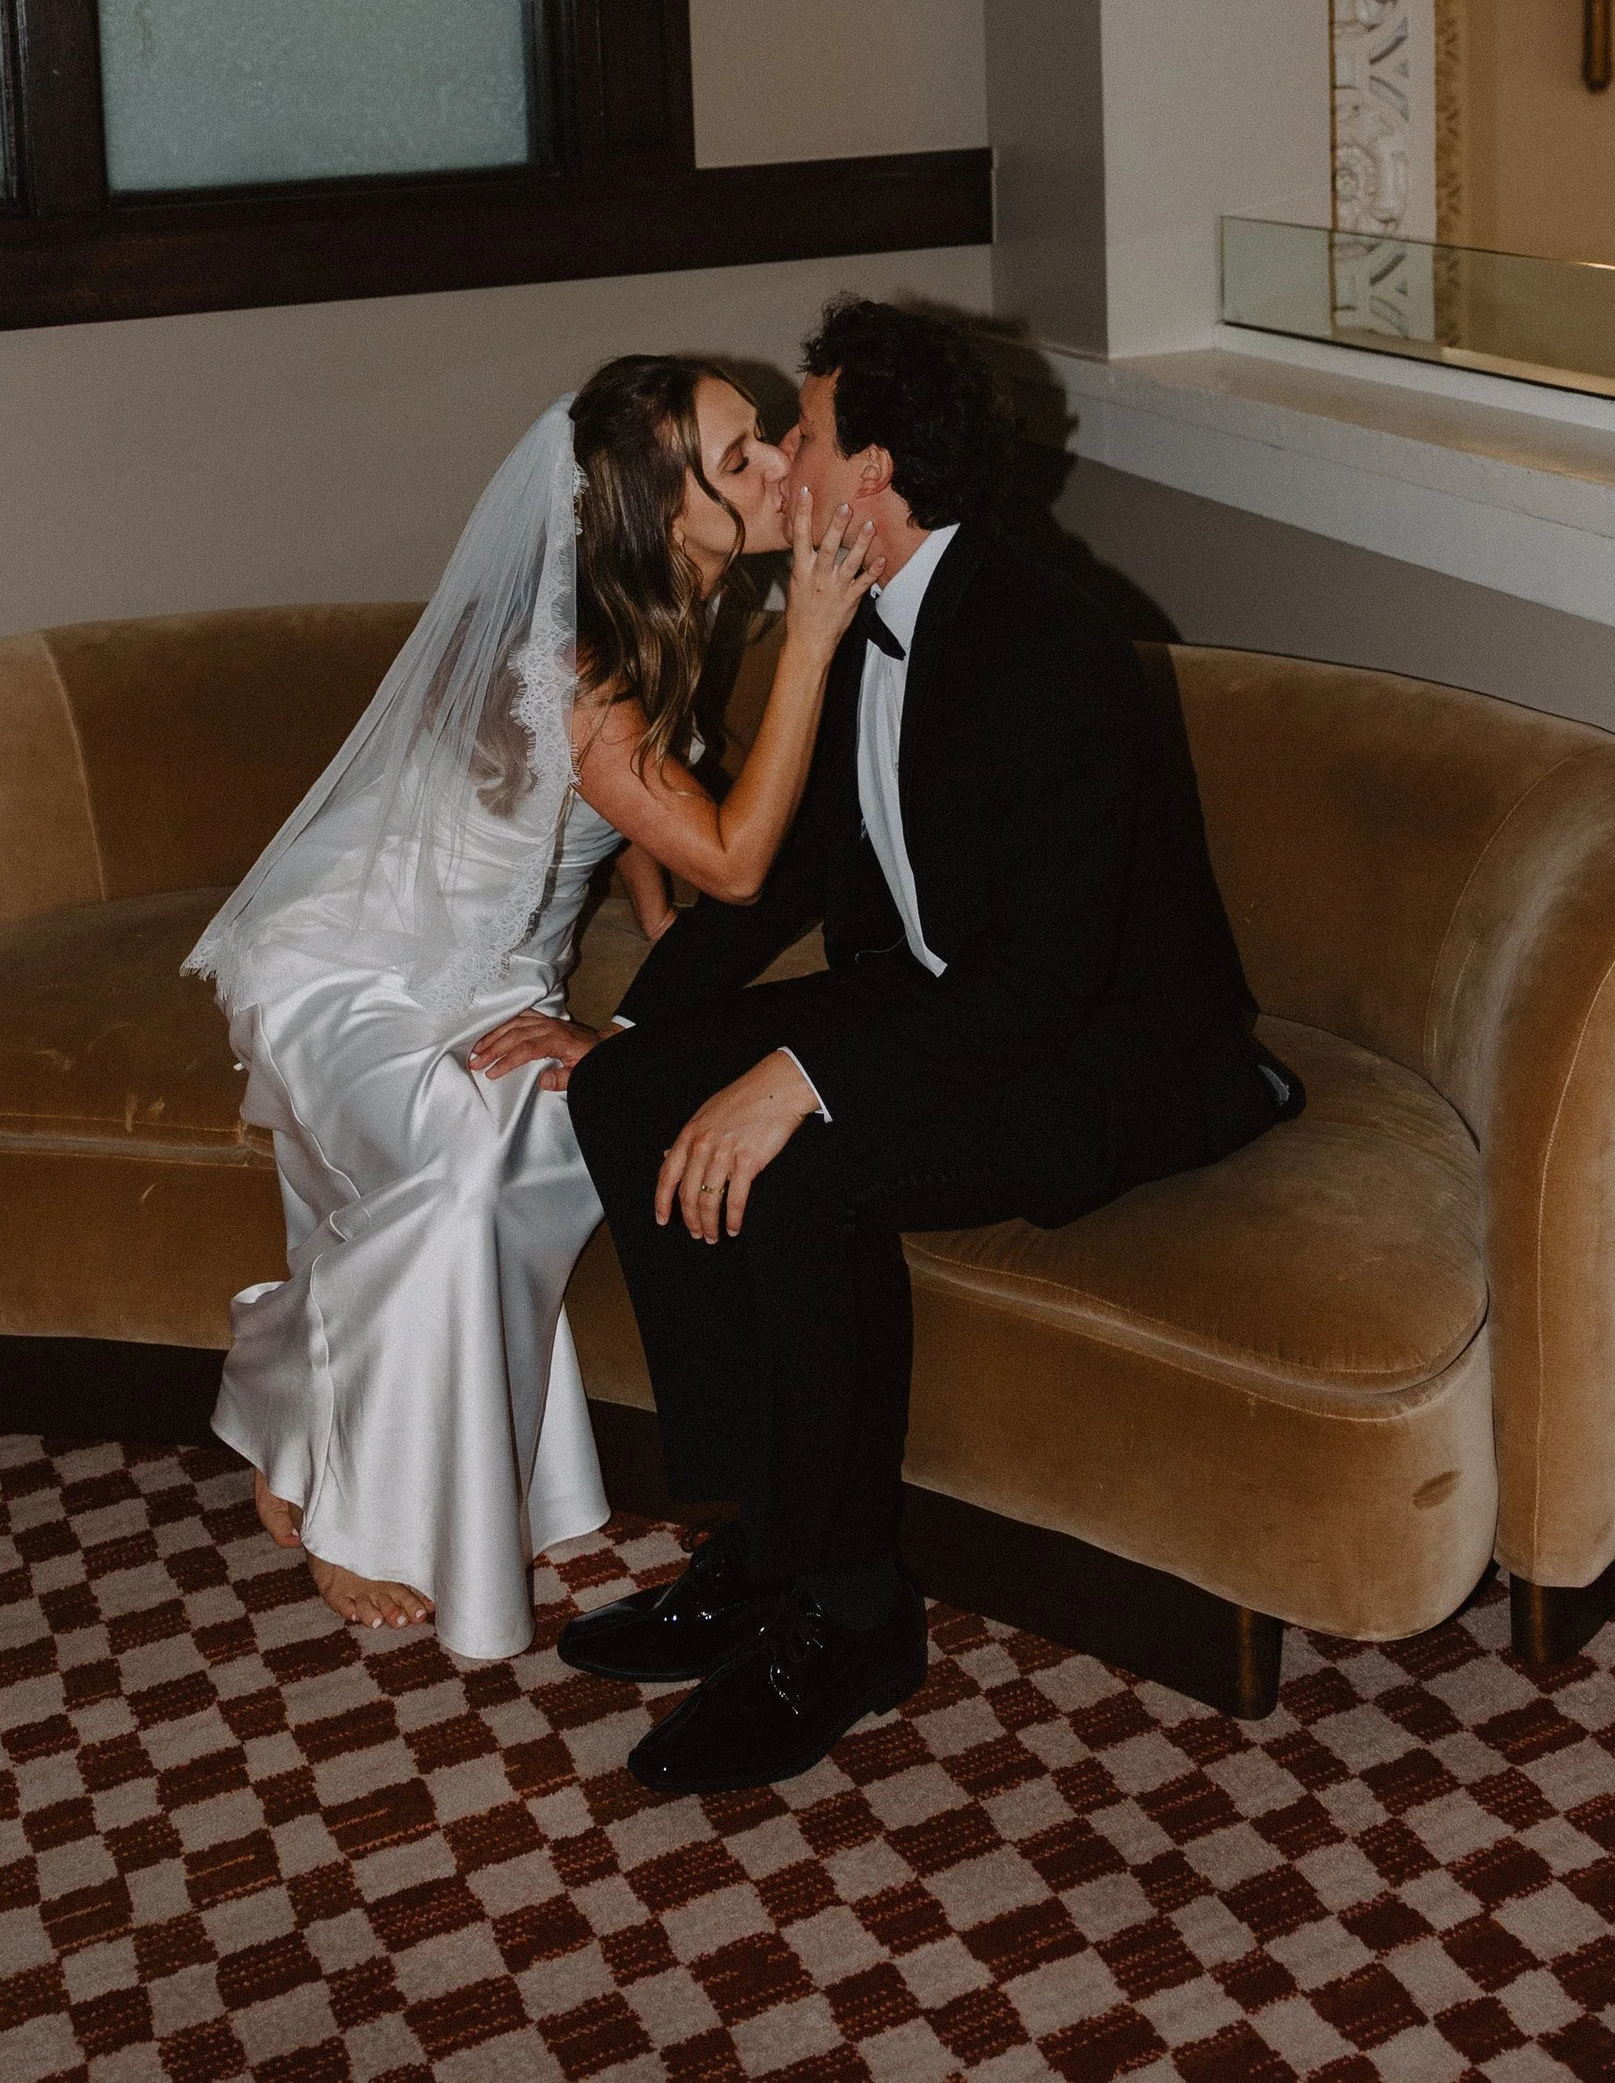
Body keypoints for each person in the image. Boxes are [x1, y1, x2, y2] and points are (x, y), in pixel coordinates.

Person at [562, 296, 1299, 1794]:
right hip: (946, 1005)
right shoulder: (852, 614)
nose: (782, 459)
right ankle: (761, 1545)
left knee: (800, 1173)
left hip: (1099, 1055)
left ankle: (848, 1614)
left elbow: (1038, 987)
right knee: (632, 1090)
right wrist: (631, 1022)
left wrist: (802, 1076)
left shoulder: (1050, 648)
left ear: (874, 471)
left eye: (806, 434)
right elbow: (808, 867)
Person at [184, 355, 875, 1665]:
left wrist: (653, 909)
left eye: (771, 437)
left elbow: (621, 806)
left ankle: (300, 1401)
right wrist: (815, 642)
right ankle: (348, 1487)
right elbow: (728, 843)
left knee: (562, 1142)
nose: (786, 465)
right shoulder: (588, 661)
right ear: (663, 519)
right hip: (348, 966)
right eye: (743, 463)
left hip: (492, 978)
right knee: (461, 1170)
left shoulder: (661, 609)